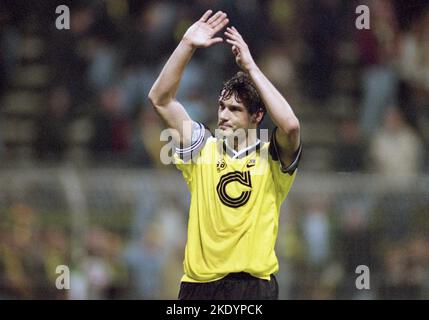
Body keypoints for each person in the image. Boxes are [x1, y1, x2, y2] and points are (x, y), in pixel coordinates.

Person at [148, 10, 301, 300]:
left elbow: (290, 125)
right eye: (221, 107)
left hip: (252, 288)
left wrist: (251, 67)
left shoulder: (272, 159)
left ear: (256, 116)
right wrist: (186, 45)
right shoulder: (201, 149)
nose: (224, 115)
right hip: (197, 287)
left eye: (234, 109)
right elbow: (160, 99)